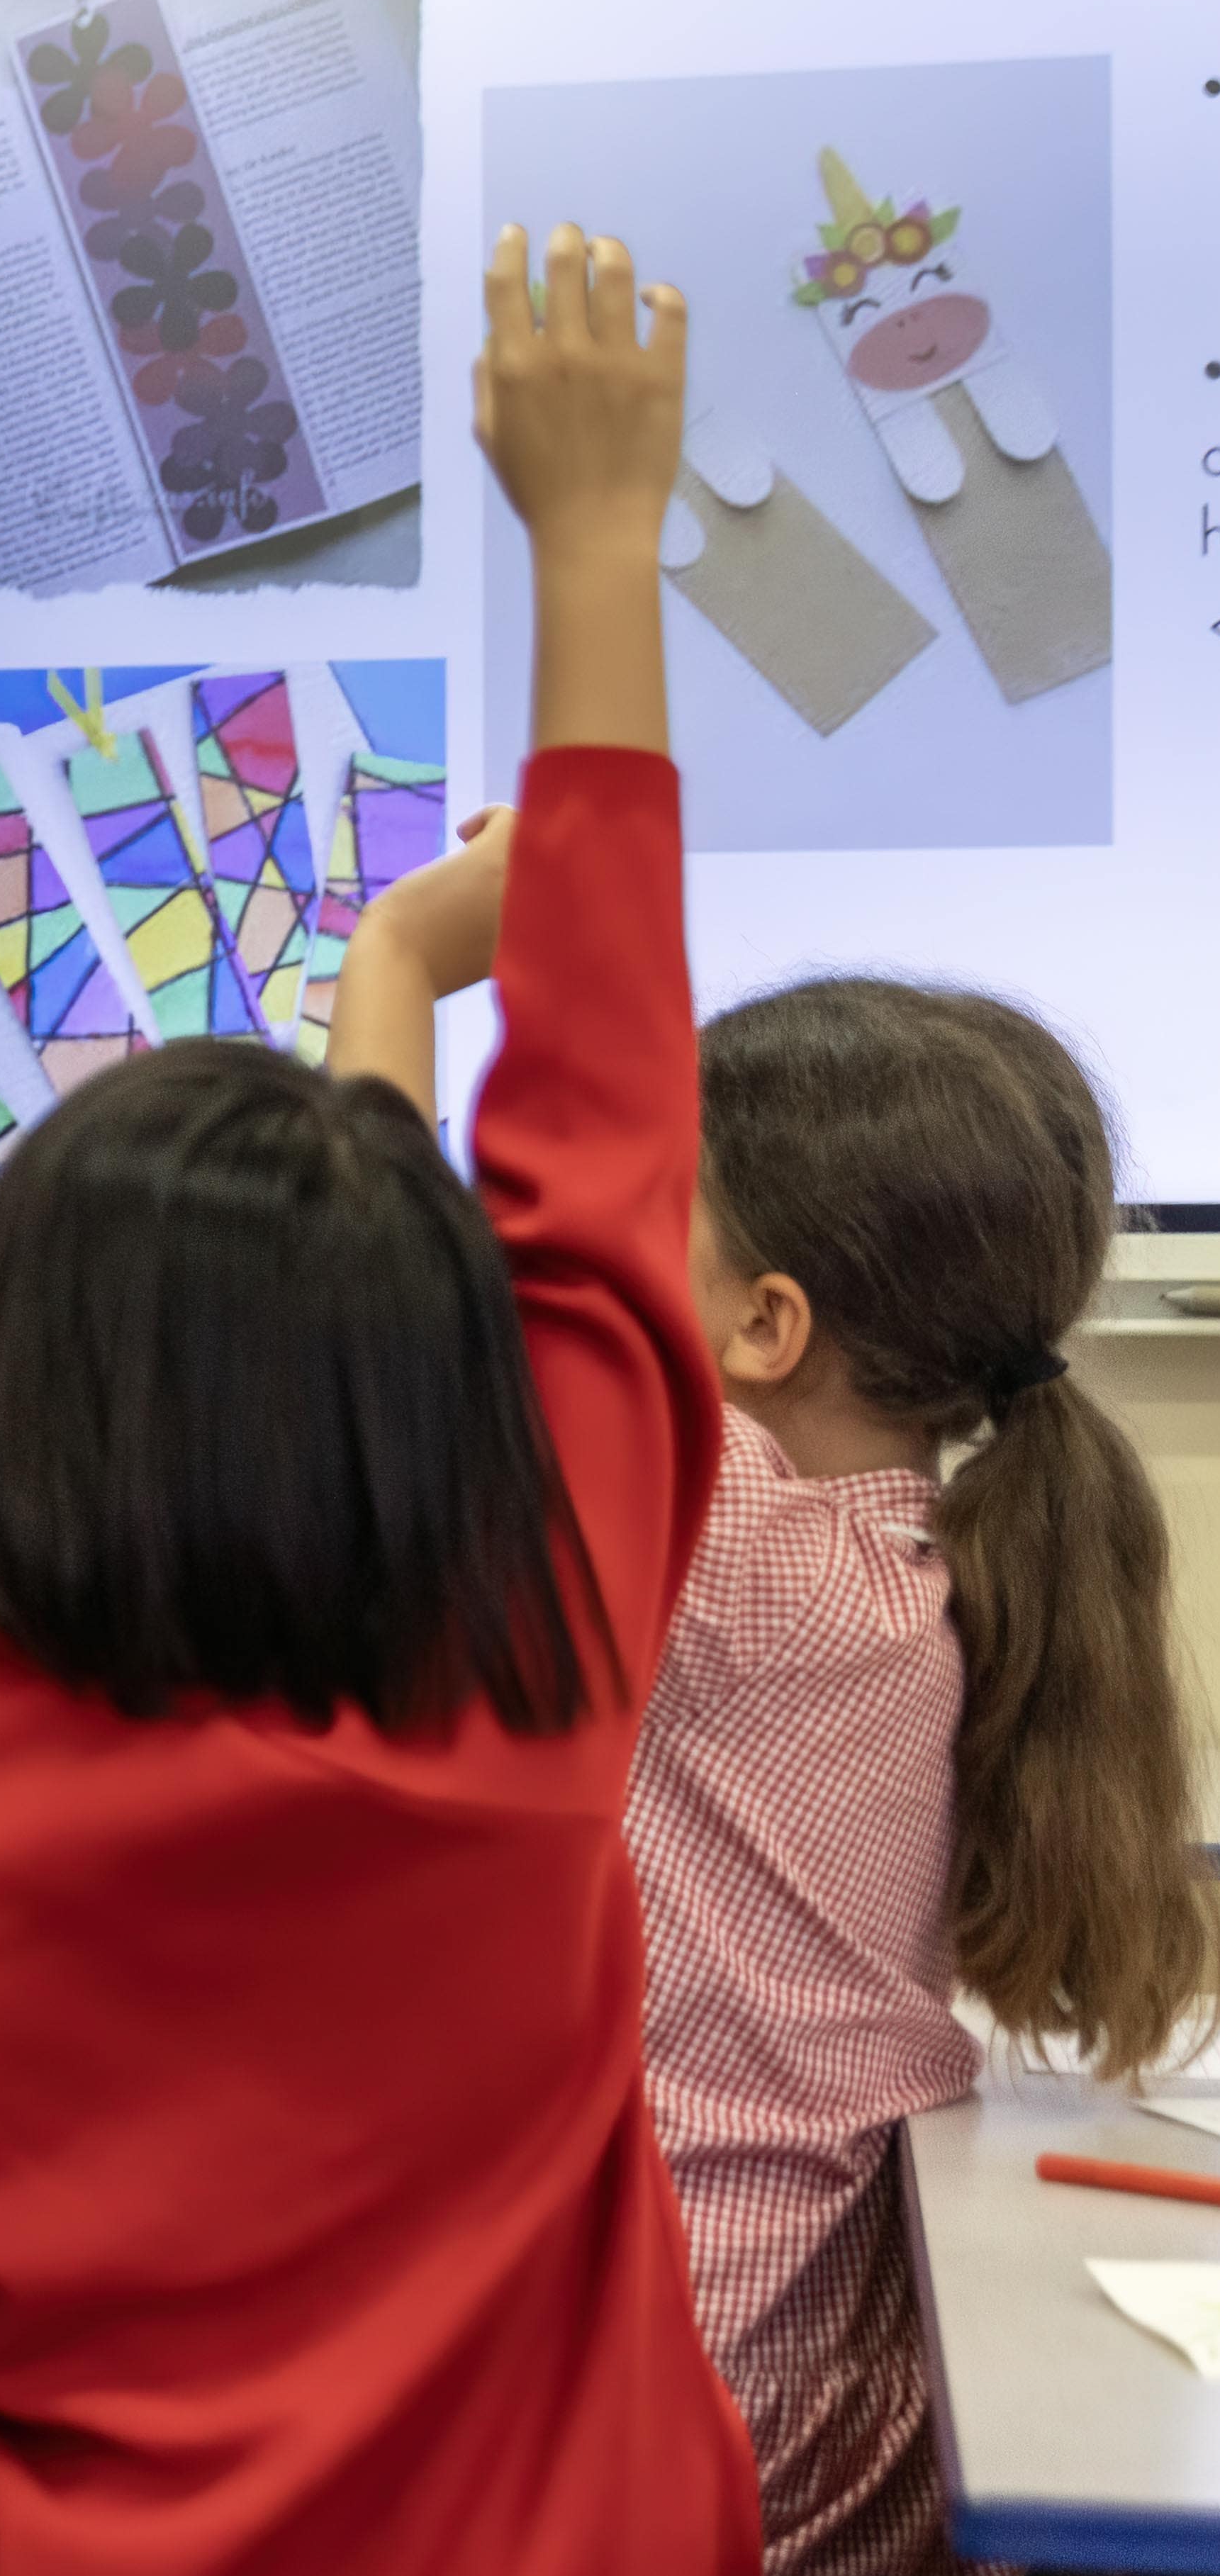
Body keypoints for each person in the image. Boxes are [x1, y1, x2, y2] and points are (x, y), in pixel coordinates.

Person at [0, 225, 760, 2576]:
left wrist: (394, 956)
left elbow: (555, 1194)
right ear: (435, 1408)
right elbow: (603, 1145)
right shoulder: (524, 1690)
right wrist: (598, 545)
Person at [621, 983, 1207, 2572]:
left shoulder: (735, 1553)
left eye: (633, 1221)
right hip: (831, 2386)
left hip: (686, 2400)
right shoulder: (926, 1569)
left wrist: (436, 959)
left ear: (762, 1325)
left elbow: (456, 1315)